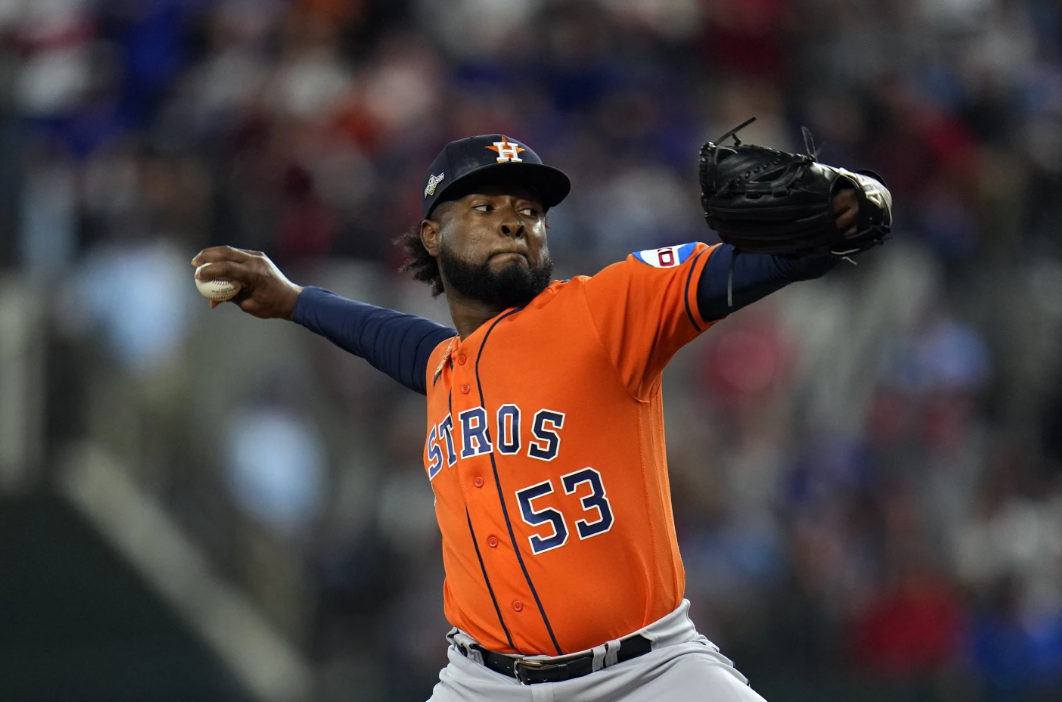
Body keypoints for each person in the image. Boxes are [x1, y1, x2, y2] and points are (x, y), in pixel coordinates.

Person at [192, 134, 881, 701]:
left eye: (530, 209)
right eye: (485, 204)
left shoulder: (606, 312)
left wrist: (844, 209)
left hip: (648, 674)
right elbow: (398, 342)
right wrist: (294, 299)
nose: (515, 218)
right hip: (479, 685)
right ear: (432, 235)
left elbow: (754, 264)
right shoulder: (445, 368)